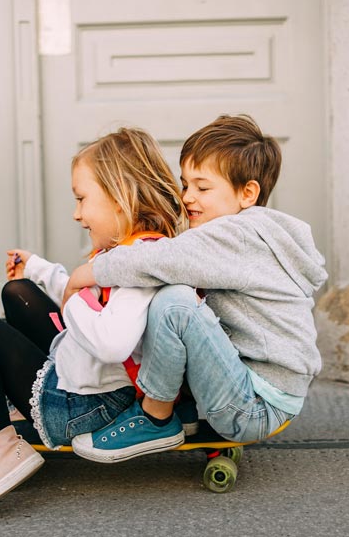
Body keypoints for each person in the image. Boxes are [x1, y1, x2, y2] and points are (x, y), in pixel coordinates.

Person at [0, 127, 186, 521]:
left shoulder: (138, 264)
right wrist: (40, 270)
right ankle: (18, 411)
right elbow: (94, 298)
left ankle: (2, 449)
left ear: (120, 195)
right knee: (17, 290)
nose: (76, 213)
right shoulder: (136, 249)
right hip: (90, 383)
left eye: (82, 199)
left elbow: (111, 342)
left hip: (86, 406)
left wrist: (75, 293)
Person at [65, 114, 328, 463]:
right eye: (185, 184)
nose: (187, 197)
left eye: (202, 188)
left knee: (174, 303)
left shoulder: (238, 235)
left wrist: (91, 271)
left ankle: (155, 417)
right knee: (177, 299)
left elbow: (158, 260)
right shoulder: (245, 235)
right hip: (252, 387)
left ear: (247, 193)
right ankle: (183, 410)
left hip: (255, 406)